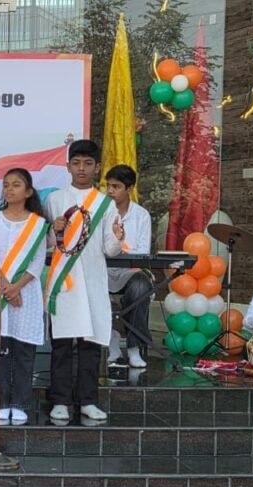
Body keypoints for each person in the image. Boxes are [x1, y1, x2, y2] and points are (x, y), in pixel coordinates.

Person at [44, 140, 124, 424]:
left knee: (90, 343)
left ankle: (88, 400)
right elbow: (49, 244)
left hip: (92, 281)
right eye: (76, 163)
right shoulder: (55, 200)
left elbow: (110, 249)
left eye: (88, 163)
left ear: (97, 167)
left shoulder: (106, 203)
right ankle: (60, 401)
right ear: (67, 166)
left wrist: (118, 237)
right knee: (63, 343)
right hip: (64, 282)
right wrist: (53, 230)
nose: (82, 169)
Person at [0, 169, 49, 426]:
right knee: (0, 350)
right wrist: (6, 287)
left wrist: (17, 287)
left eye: (16, 185)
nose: (10, 189)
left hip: (27, 293)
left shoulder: (38, 224)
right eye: (6, 185)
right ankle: (0, 402)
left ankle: (21, 403)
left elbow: (37, 262)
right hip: (0, 292)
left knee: (24, 351)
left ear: (28, 191)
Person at [103, 164, 153, 368]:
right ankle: (111, 340)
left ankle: (134, 347)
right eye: (108, 186)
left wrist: (119, 249)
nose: (110, 191)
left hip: (130, 271)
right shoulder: (100, 213)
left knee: (141, 287)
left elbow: (142, 251)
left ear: (129, 188)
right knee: (89, 285)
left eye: (116, 187)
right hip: (104, 270)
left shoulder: (141, 215)